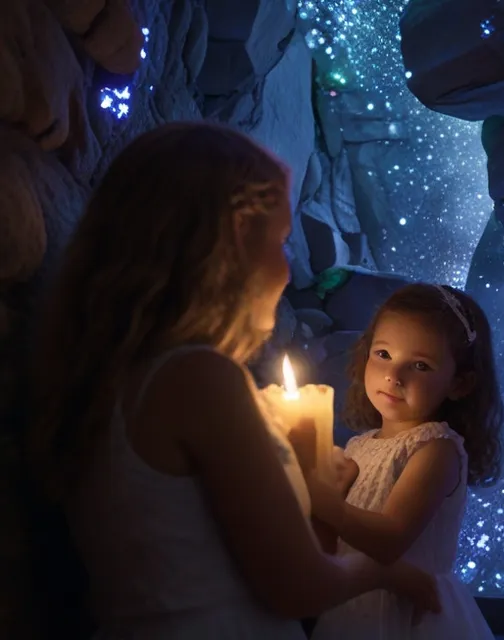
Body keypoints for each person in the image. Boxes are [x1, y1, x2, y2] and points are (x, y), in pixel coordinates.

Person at [23, 122, 439, 639]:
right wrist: (386, 573)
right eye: (281, 242)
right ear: (228, 244)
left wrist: (317, 495)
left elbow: (248, 560)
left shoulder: (122, 373)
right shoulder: (197, 378)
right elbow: (295, 586)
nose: (288, 271)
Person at [309, 283, 503, 639]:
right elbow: (332, 546)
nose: (394, 376)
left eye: (419, 365)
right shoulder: (358, 447)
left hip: (411, 616)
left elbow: (390, 540)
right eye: (383, 354)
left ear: (459, 384)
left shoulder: (436, 449)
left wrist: (322, 499)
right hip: (351, 608)